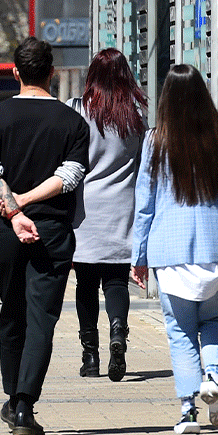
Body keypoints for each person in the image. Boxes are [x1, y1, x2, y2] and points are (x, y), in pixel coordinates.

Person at [130, 64, 218, 434]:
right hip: (217, 251)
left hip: (170, 254)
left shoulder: (155, 141)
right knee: (214, 322)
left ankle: (188, 412)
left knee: (180, 331)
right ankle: (213, 378)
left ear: (166, 99)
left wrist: (138, 257)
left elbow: (145, 206)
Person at [0, 37, 90, 435]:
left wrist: (13, 209)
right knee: (43, 319)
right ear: (52, 73)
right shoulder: (72, 121)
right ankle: (23, 404)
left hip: (7, 231)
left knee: (12, 313)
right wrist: (26, 205)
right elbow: (70, 176)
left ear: (15, 72)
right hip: (54, 231)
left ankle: (13, 397)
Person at [66, 49, 147, 381]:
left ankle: (90, 357)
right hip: (122, 207)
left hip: (85, 208)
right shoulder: (137, 114)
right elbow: (144, 162)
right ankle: (118, 330)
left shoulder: (77, 109)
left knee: (85, 283)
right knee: (116, 280)